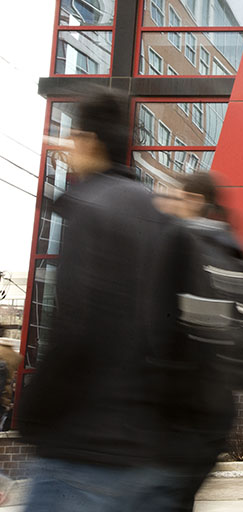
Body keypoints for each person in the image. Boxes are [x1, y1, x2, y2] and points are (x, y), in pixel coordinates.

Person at [16, 90, 188, 511]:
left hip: (84, 447)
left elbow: (76, 327)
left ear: (89, 141)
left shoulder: (91, 209)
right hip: (151, 448)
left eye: (71, 139)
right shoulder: (163, 216)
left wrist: (32, 414)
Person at [155, 172, 243, 511]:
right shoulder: (227, 245)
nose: (163, 202)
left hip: (184, 410)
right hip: (209, 409)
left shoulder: (189, 247)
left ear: (194, 201)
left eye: (172, 196)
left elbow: (185, 333)